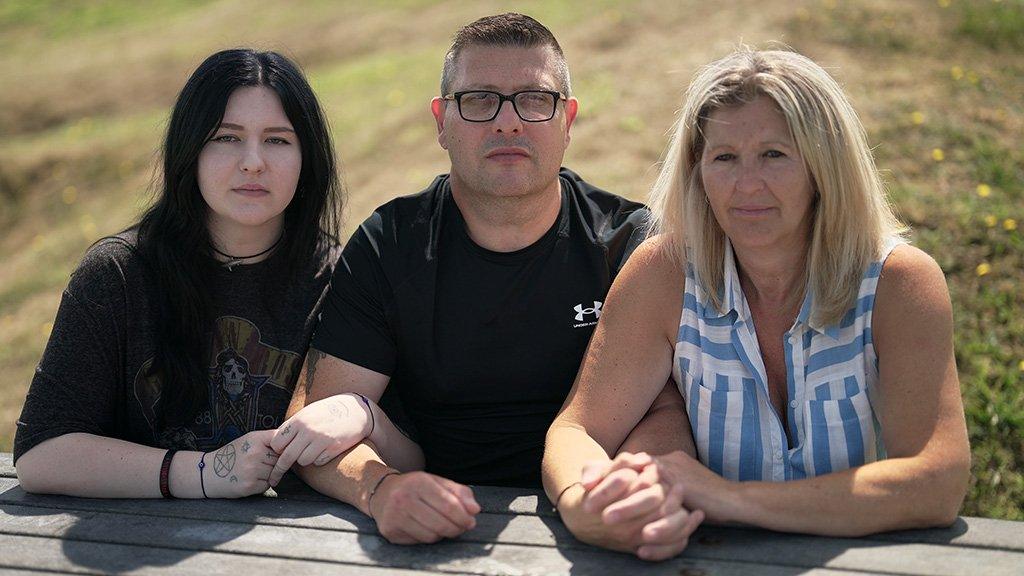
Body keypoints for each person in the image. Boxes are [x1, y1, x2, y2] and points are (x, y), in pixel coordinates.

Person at [267, 13, 681, 546]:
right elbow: (320, 420)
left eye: (535, 100)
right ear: (442, 121)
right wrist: (381, 490)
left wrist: (628, 486)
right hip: (432, 515)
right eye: (479, 100)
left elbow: (668, 408)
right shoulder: (390, 243)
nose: (508, 123)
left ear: (568, 119)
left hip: (593, 502)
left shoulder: (630, 244)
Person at [542, 47, 972, 560]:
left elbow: (936, 482)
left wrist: (730, 499)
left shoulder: (900, 283)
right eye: (724, 158)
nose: (747, 185)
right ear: (697, 172)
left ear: (824, 166)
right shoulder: (665, 273)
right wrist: (582, 500)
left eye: (774, 154)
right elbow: (577, 430)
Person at [14, 49, 343, 500]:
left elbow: (400, 442)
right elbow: (41, 453)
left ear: (308, 157)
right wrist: (204, 473)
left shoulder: (339, 280)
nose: (252, 162)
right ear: (189, 150)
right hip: (128, 543)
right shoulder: (117, 274)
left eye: (278, 140)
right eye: (227, 138)